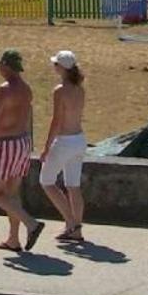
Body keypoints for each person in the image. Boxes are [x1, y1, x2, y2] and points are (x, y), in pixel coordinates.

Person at [0, 49, 41, 252]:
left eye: (0, 65)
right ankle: (13, 239)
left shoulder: (4, 90)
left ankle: (30, 223)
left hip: (6, 144)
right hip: (23, 142)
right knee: (12, 194)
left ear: (6, 66)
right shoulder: (27, 88)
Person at [37, 49, 88, 244]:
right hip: (79, 139)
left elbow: (56, 121)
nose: (53, 67)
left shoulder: (60, 90)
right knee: (73, 185)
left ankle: (71, 223)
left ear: (62, 68)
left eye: (56, 64)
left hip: (65, 141)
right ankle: (76, 227)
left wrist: (46, 147)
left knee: (47, 181)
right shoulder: (80, 89)